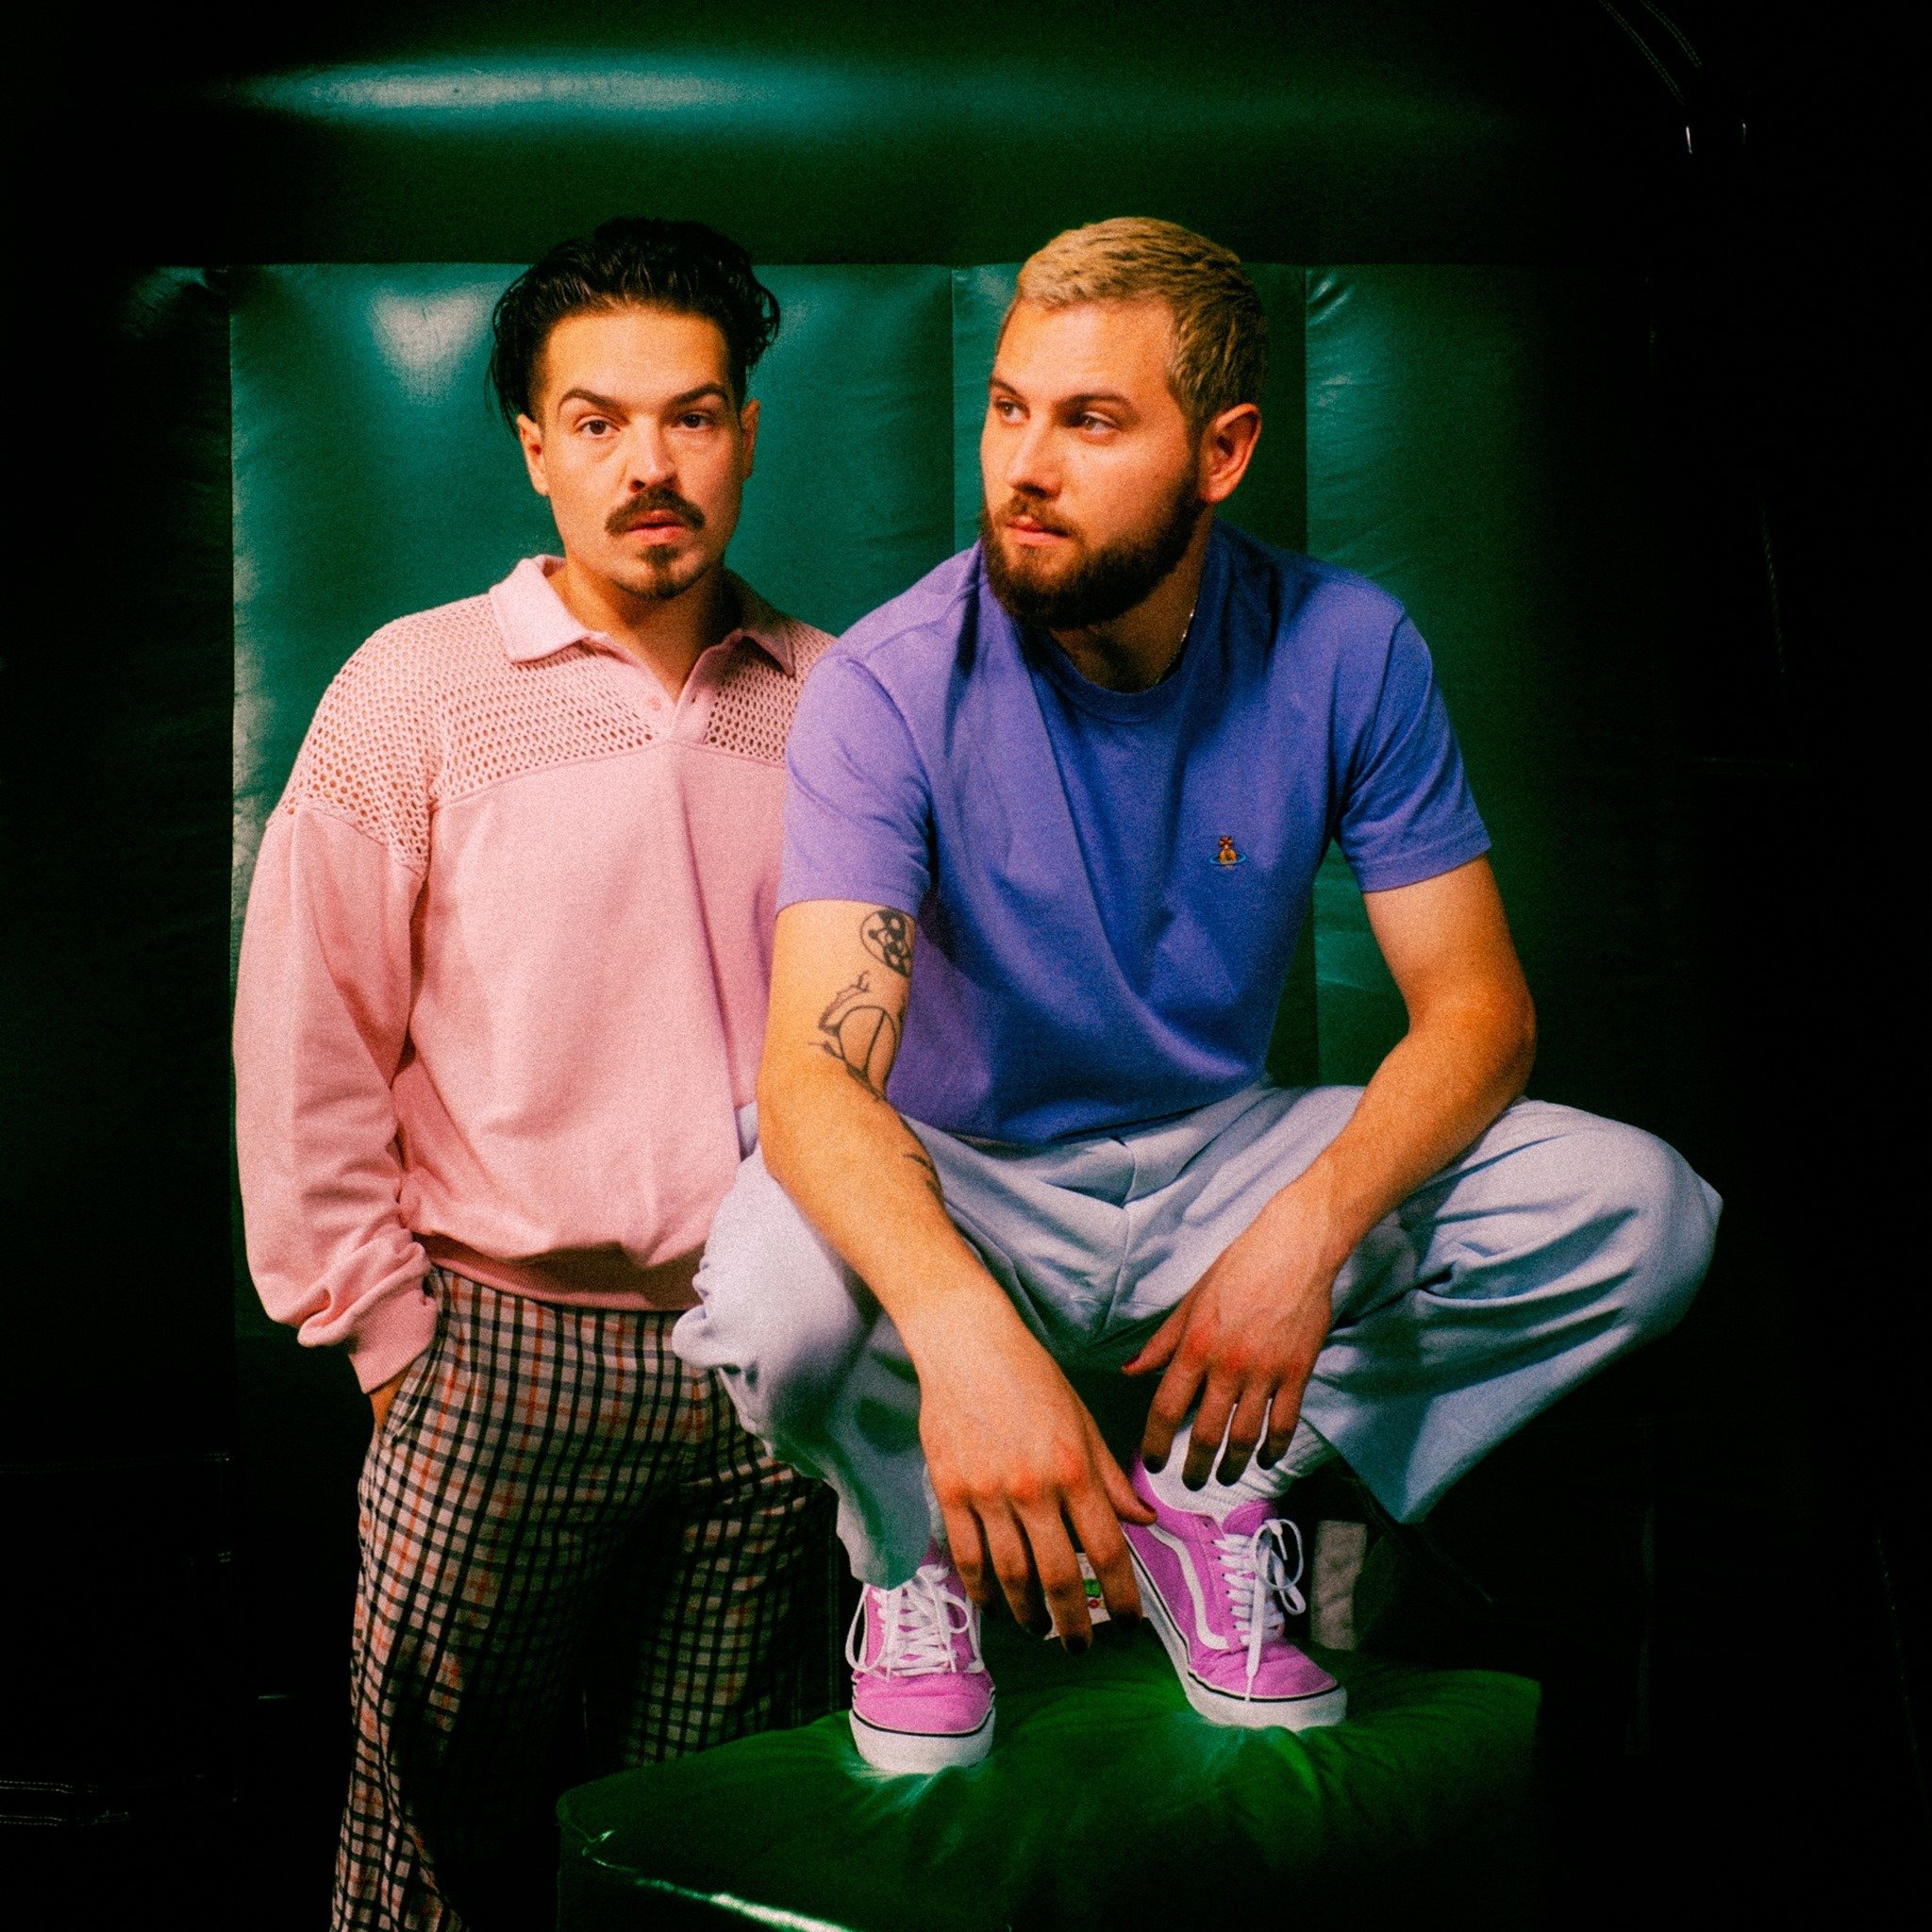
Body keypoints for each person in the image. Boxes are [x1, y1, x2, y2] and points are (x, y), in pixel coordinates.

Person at [674, 217, 1720, 1774]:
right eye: (1011, 405)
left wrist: (1304, 1237)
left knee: (1652, 1212)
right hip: (971, 1177)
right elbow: (818, 1078)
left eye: (1090, 421)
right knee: (769, 1294)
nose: (1023, 462)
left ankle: (1214, 1495)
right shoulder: (887, 687)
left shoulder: (1348, 647)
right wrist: (966, 1335)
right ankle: (911, 1571)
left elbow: (1481, 1012)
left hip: (1225, 1160)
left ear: (1221, 451)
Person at [234, 218, 838, 1927]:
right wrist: (383, 1334)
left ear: (746, 428)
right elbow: (308, 1041)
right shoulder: (417, 689)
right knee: (435, 1834)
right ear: (533, 445)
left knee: (703, 1838)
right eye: (598, 420)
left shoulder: (832, 698)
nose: (650, 465)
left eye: (695, 415)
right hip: (493, 1350)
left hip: (764, 1362)